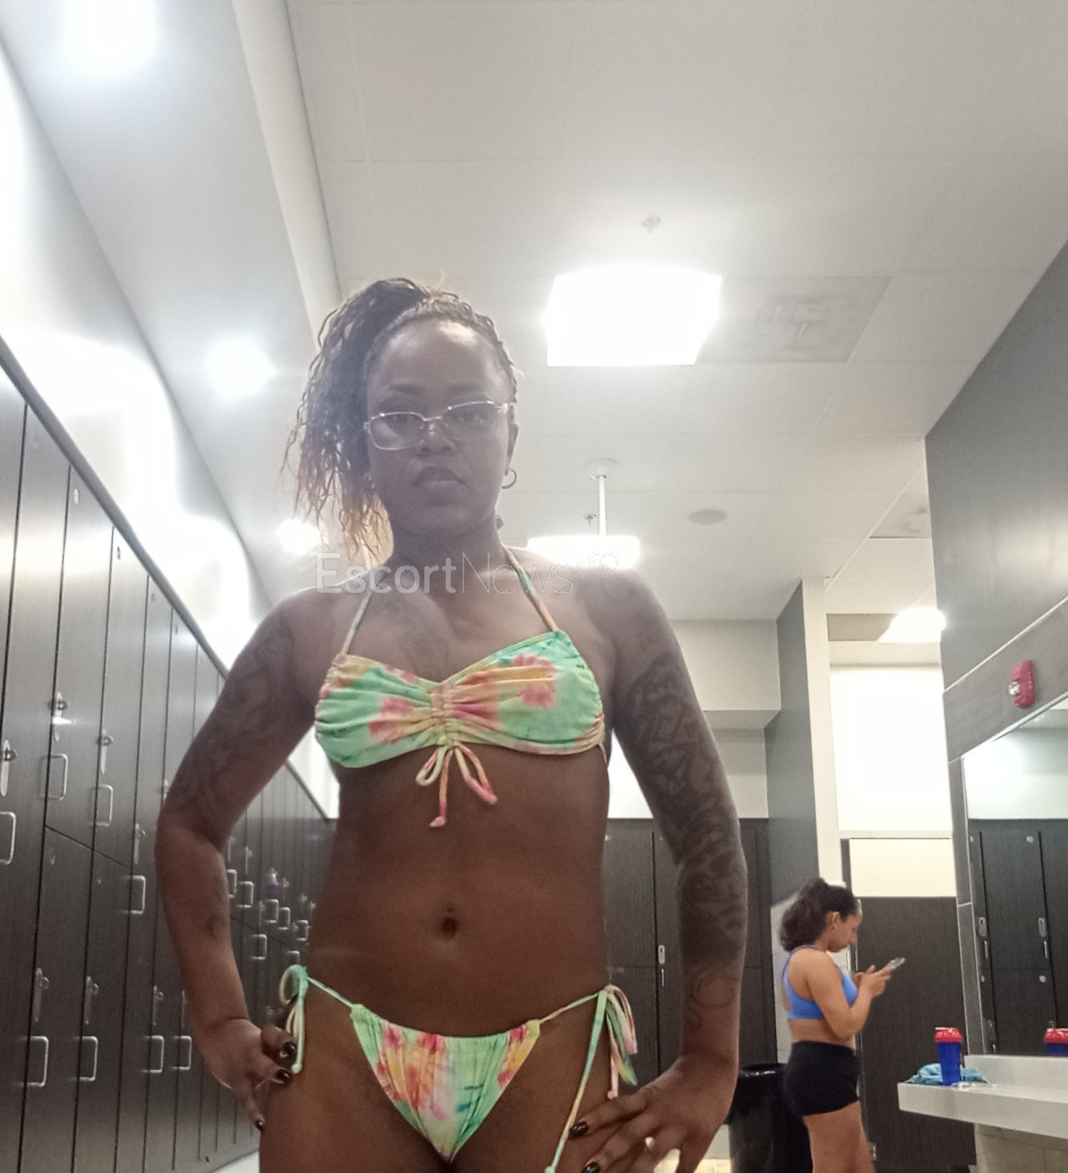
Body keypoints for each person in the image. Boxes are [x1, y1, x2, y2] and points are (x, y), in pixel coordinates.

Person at [156, 278, 748, 1173]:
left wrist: (711, 1062)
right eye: (400, 414)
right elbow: (189, 822)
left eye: (469, 411)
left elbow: (707, 836)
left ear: (510, 436)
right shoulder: (309, 629)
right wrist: (218, 1019)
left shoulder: (606, 611)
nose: (435, 437)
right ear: (365, 442)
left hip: (550, 1056)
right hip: (345, 1058)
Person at [779, 878, 892, 1173]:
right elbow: (844, 1025)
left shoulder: (805, 959)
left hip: (825, 1071)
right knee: (834, 1166)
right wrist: (866, 991)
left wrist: (854, 987)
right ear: (833, 920)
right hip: (823, 1074)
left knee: (860, 1166)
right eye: (852, 929)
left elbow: (823, 1008)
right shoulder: (815, 961)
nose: (853, 939)